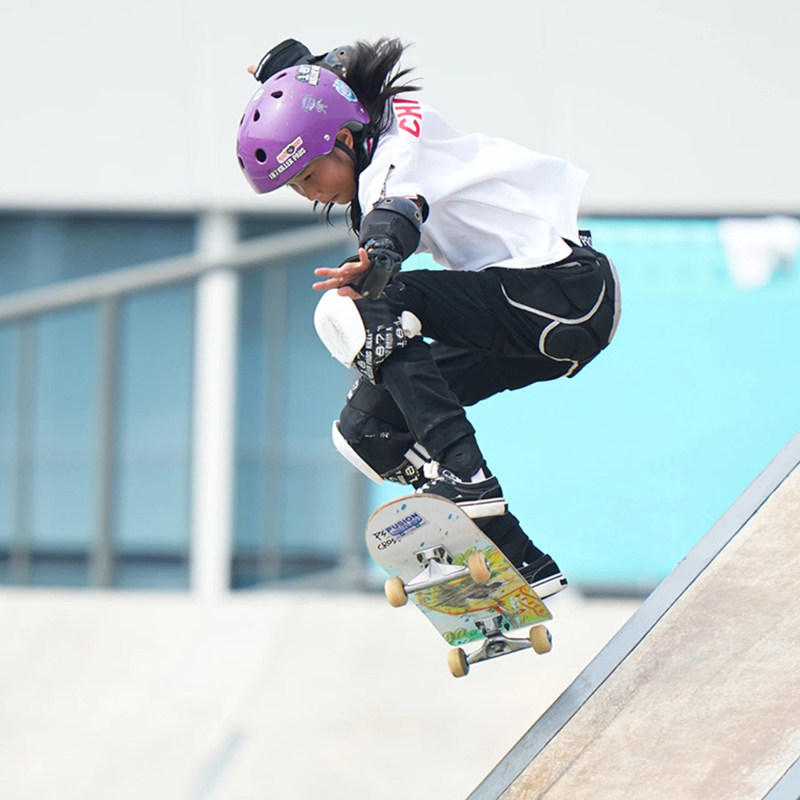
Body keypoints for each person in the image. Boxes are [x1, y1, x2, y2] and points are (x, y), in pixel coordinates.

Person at [236, 38, 621, 599]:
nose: (309, 192)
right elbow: (333, 79)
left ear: (344, 140)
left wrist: (379, 255)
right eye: (296, 186)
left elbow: (400, 209)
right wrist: (284, 70)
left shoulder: (389, 160)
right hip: (529, 322)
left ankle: (465, 475)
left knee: (363, 305)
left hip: (563, 294)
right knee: (367, 429)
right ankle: (519, 559)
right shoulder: (378, 117)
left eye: (311, 176)